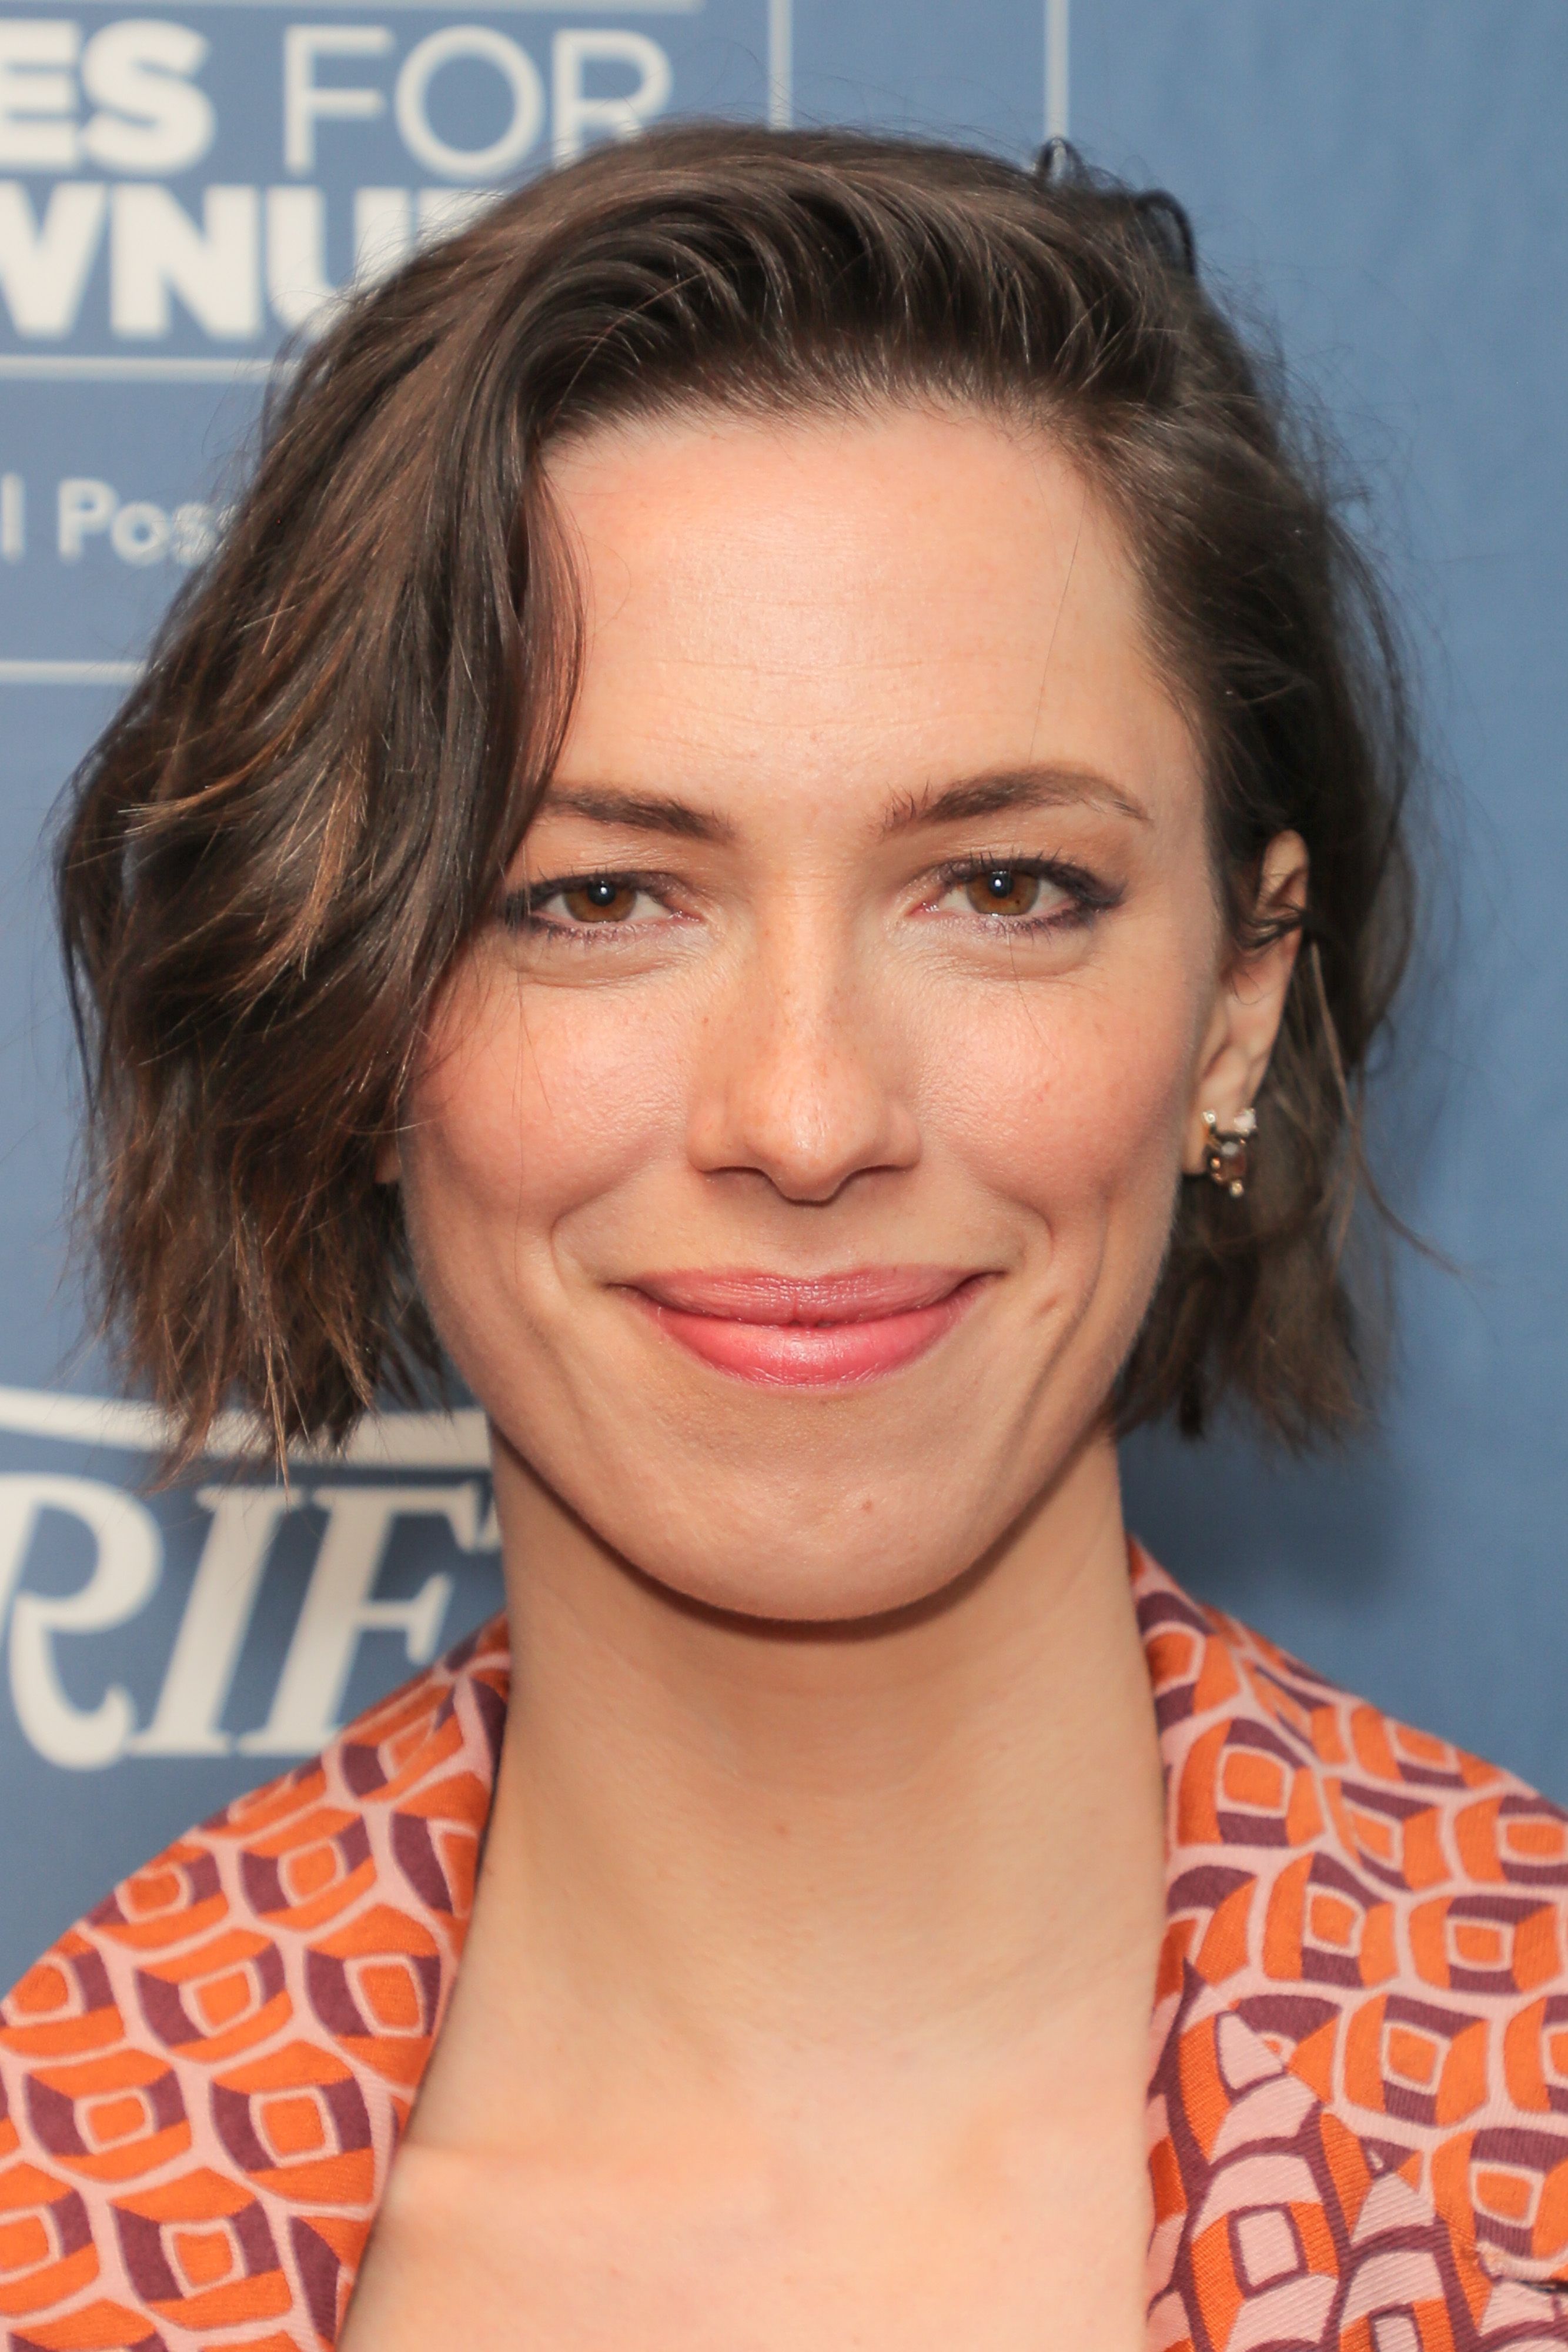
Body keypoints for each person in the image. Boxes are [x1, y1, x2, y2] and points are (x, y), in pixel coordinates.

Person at [4, 123, 1564, 2352]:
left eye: (1003, 888)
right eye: (595, 899)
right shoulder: (59, 2187)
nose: (810, 1117)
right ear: (345, 1011)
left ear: (1238, 1003)